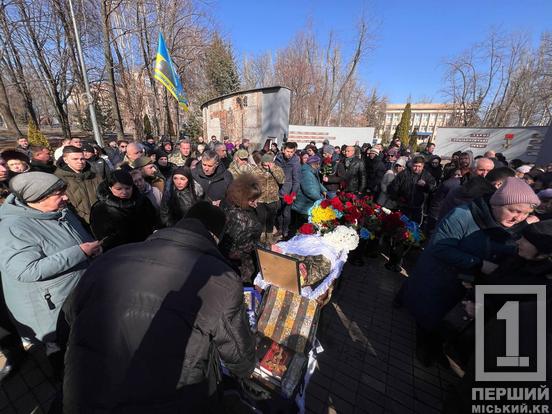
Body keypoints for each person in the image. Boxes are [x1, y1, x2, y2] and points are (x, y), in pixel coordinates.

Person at [63, 202, 255, 412]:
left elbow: (70, 313)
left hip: (87, 391)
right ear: (214, 236)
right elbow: (238, 355)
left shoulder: (111, 257)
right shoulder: (220, 278)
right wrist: (246, 371)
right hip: (166, 397)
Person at [401, 177, 540, 366]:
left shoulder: (518, 227)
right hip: (443, 277)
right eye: (514, 211)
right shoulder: (463, 215)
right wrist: (479, 263)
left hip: (475, 285)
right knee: (431, 315)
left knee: (454, 320)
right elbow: (440, 248)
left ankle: (437, 345)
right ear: (496, 203)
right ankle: (424, 345)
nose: (518, 218)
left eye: (525, 214)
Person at [0, 172, 100, 350]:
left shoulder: (59, 211)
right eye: (58, 194)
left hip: (76, 294)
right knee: (62, 348)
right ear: (37, 198)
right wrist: (80, 252)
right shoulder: (13, 228)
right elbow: (25, 270)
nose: (66, 197)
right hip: (52, 306)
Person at [89, 170, 157, 251]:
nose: (124, 192)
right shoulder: (101, 209)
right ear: (110, 188)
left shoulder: (142, 200)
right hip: (123, 254)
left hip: (148, 247)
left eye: (127, 188)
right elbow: (104, 239)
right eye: (119, 189)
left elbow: (154, 221)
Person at [219, 174, 263, 282]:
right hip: (241, 265)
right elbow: (246, 246)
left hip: (221, 256)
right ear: (242, 197)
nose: (256, 204)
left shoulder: (226, 203)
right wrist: (267, 247)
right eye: (252, 200)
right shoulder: (247, 222)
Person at [55, 145, 103, 223]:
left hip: (100, 219)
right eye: (75, 159)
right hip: (77, 222)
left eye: (82, 159)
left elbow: (104, 196)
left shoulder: (95, 176)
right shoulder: (58, 180)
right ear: (65, 160)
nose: (80, 162)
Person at [387, 155, 436, 223]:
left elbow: (433, 188)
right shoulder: (404, 174)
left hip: (418, 207)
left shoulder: (427, 175)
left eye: (419, 166)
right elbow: (393, 187)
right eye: (415, 166)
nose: (416, 168)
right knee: (401, 225)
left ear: (423, 166)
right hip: (404, 206)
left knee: (415, 226)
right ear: (412, 164)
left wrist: (425, 185)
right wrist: (397, 198)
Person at [253, 153, 285, 243]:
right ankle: (262, 235)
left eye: (268, 164)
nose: (266, 166)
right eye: (264, 164)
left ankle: (269, 236)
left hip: (272, 199)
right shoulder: (256, 170)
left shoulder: (278, 169)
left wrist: (273, 169)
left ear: (272, 163)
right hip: (260, 199)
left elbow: (281, 180)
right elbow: (251, 183)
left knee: (271, 219)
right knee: (261, 218)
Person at [292, 155, 327, 232]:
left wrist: (324, 190)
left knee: (301, 225)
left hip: (307, 203)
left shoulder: (311, 171)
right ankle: (293, 239)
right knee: (301, 226)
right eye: (318, 164)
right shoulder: (307, 173)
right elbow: (309, 191)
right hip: (304, 204)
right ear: (314, 164)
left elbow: (317, 182)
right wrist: (320, 199)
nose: (319, 166)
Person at [275, 142, 301, 239]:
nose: (289, 153)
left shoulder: (295, 162)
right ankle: (280, 229)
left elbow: (297, 180)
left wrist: (293, 193)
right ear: (283, 150)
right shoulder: (278, 159)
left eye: (291, 152)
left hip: (288, 192)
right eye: (287, 151)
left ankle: (285, 231)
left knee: (286, 213)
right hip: (277, 190)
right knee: (278, 212)